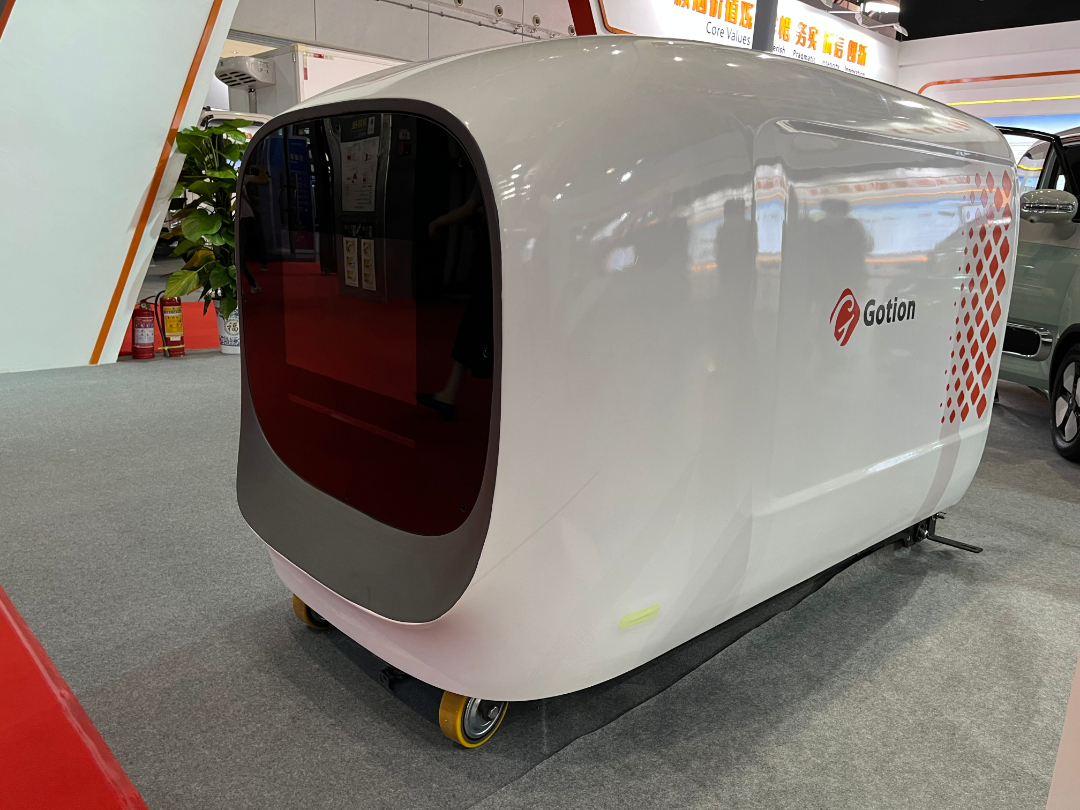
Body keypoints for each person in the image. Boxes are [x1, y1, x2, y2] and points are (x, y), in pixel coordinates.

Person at [416, 180, 494, 422]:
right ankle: (448, 395)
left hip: (493, 262)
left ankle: (449, 396)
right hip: (507, 262)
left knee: (477, 323)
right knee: (478, 325)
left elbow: (469, 208)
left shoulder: (488, 177)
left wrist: (438, 222)